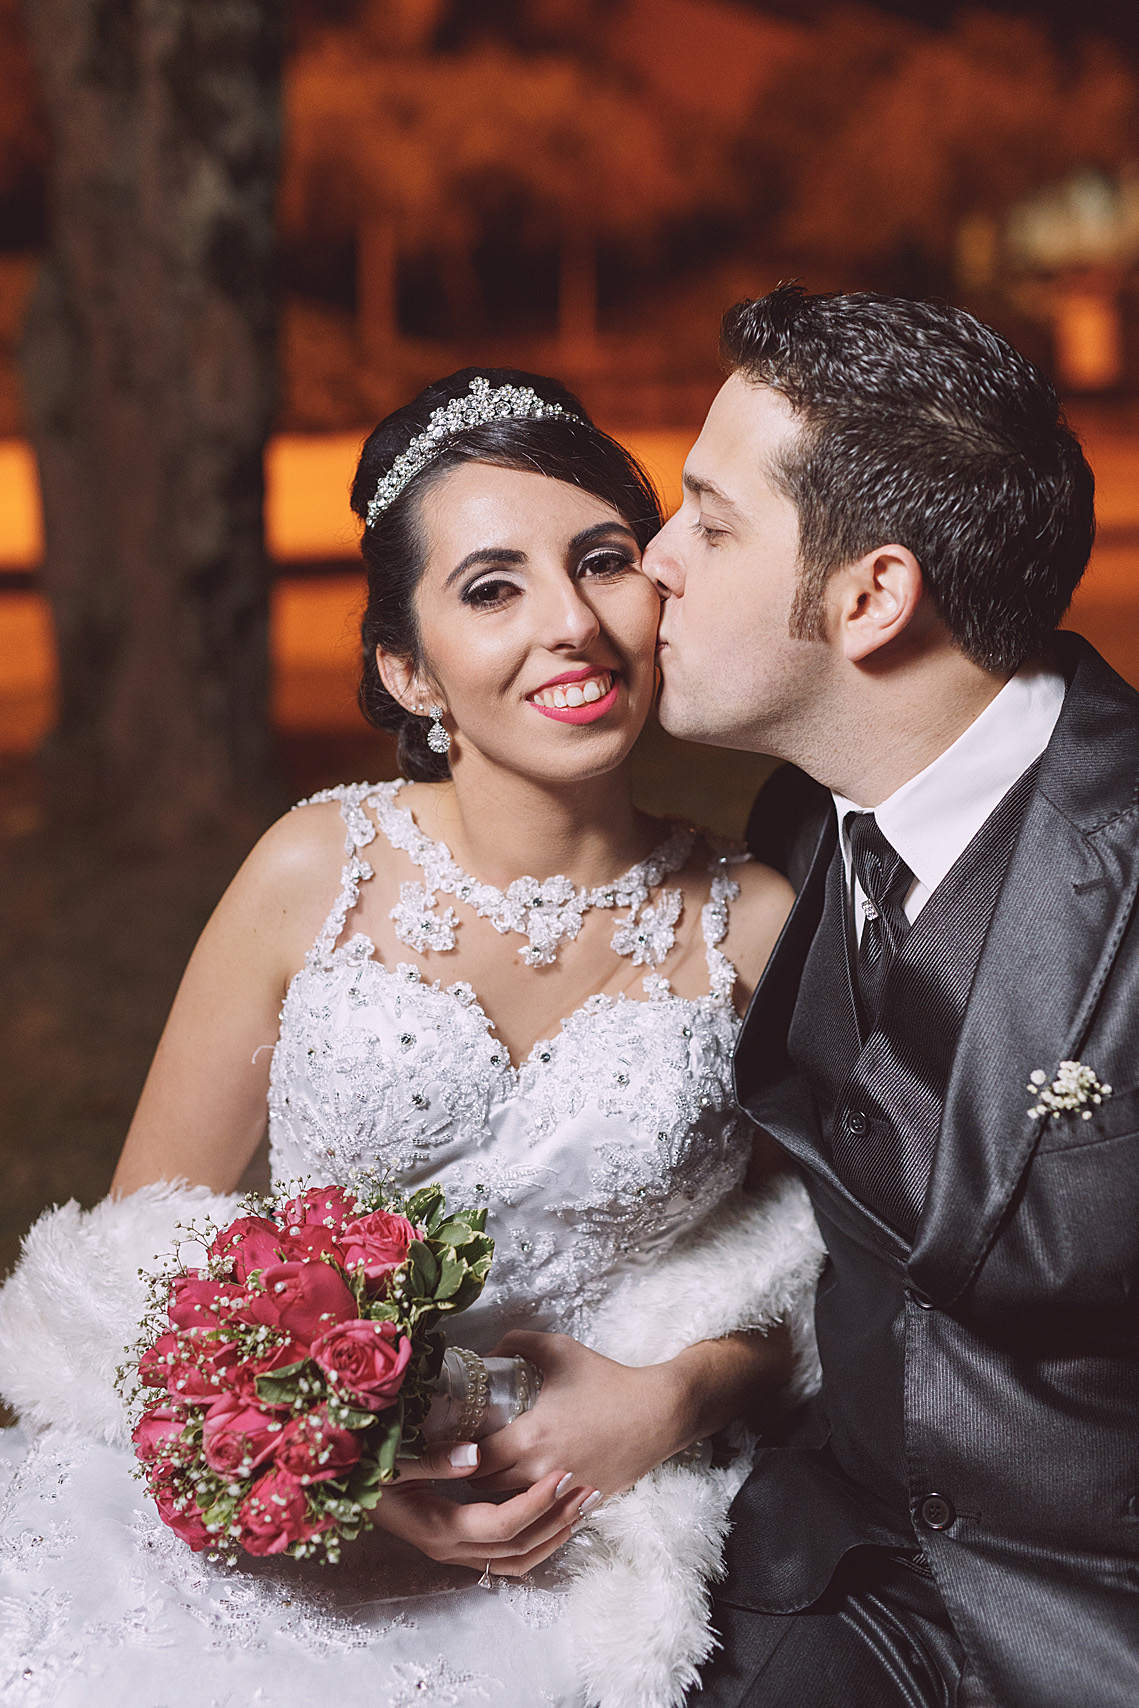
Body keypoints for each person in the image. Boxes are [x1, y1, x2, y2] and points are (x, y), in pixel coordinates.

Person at [0, 368, 824, 1708]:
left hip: (576, 1520)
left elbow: (826, 1267)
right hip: (291, 1497)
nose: (571, 623)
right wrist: (337, 1471)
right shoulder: (312, 866)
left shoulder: (761, 922)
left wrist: (675, 1396)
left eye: (604, 561)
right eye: (493, 587)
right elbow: (142, 1232)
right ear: (406, 666)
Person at [644, 285, 1139, 1708]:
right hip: (836, 1572)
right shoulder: (803, 820)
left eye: (711, 522)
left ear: (872, 596)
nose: (656, 563)